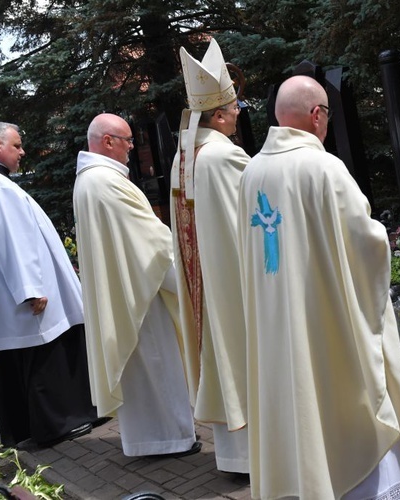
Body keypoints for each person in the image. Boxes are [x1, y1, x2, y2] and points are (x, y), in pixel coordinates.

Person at [237, 75, 400, 499]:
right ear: (316, 116)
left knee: (297, 409)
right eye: (326, 114)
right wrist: (383, 236)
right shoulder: (324, 167)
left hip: (276, 326)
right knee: (352, 396)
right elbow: (366, 244)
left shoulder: (251, 171)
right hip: (327, 324)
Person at [72, 113, 200, 458]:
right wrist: (188, 273)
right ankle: (169, 439)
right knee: (156, 362)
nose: (132, 147)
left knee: (142, 370)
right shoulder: (105, 182)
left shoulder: (89, 179)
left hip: (124, 288)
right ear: (107, 141)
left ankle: (148, 439)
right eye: (127, 140)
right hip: (139, 294)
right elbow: (152, 242)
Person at [0, 122, 98, 449]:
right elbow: (10, 240)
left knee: (25, 362)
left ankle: (27, 428)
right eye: (17, 145)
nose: (22, 151)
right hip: (29, 295)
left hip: (14, 294)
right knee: (44, 358)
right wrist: (29, 288)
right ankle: (58, 425)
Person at [171, 39, 249, 473]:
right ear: (217, 114)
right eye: (234, 107)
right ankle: (255, 459)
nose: (239, 113)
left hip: (204, 281)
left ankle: (235, 458)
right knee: (239, 357)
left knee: (221, 357)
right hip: (231, 282)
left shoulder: (185, 153)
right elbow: (253, 220)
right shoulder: (222, 155)